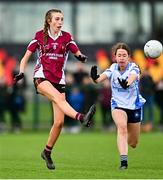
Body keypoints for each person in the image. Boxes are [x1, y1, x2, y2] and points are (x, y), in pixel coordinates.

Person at [14, 9, 96, 170]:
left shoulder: (66, 37)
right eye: (57, 19)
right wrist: (22, 72)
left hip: (59, 80)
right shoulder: (39, 36)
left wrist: (81, 57)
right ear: (49, 21)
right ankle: (81, 117)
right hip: (41, 77)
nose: (60, 22)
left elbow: (77, 52)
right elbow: (25, 57)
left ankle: (47, 152)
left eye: (62, 19)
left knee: (59, 123)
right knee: (60, 99)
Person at [90, 42, 146, 170]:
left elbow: (132, 77)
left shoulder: (134, 67)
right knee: (121, 128)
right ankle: (124, 162)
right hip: (118, 105)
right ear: (115, 57)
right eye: (119, 55)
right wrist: (95, 78)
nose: (121, 58)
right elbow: (101, 78)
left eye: (124, 55)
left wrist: (127, 83)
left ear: (128, 57)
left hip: (134, 106)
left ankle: (124, 144)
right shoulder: (113, 68)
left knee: (133, 142)